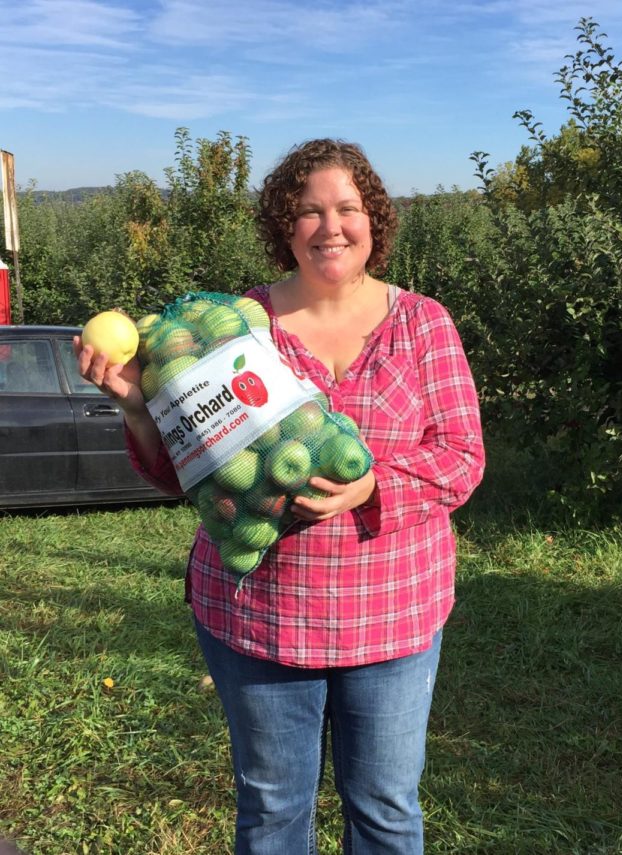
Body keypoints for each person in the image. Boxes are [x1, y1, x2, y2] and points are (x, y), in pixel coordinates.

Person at [75, 138, 485, 854]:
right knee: (271, 812)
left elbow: (461, 457)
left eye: (346, 208)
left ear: (373, 219)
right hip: (261, 618)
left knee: (386, 810)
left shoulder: (423, 323)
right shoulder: (233, 327)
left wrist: (372, 484)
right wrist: (139, 407)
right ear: (282, 224)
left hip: (390, 614)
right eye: (307, 211)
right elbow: (183, 476)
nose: (329, 226)